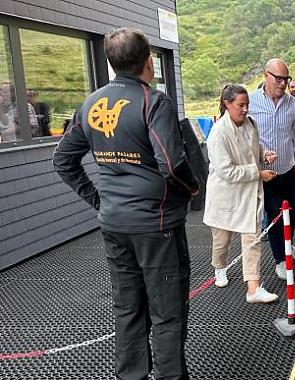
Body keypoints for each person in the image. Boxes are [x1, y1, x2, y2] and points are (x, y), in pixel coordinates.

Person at [53, 27, 198, 379]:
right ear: (149, 61)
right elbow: (172, 164)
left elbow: (62, 161)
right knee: (167, 312)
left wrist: (100, 201)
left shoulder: (91, 103)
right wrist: (191, 190)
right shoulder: (154, 101)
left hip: (114, 224)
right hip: (156, 226)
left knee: (128, 308)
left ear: (111, 62)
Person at [203, 84, 279, 303]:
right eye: (240, 105)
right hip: (225, 196)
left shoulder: (250, 123)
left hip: (248, 194)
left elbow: (252, 148)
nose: (245, 109)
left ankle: (253, 288)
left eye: (247, 105)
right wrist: (258, 173)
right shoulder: (218, 133)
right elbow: (226, 171)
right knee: (222, 242)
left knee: (252, 240)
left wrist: (265, 154)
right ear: (227, 104)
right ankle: (219, 267)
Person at [248, 58, 295, 280]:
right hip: (266, 174)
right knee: (276, 214)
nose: (283, 83)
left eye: (286, 79)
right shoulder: (251, 101)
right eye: (278, 78)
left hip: (287, 169)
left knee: (293, 213)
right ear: (266, 76)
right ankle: (279, 260)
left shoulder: (292, 104)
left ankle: (289, 246)